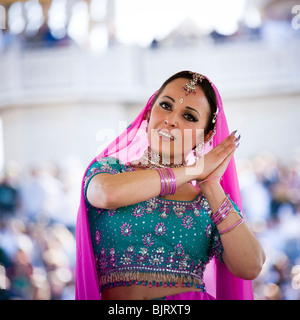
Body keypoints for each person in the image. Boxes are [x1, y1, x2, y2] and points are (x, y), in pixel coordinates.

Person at [76, 71, 265, 300]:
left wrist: (211, 185)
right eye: (165, 105)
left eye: (189, 116)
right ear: (148, 111)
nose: (171, 120)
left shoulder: (208, 202)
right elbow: (105, 194)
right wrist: (193, 171)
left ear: (206, 136)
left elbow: (251, 266)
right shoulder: (109, 170)